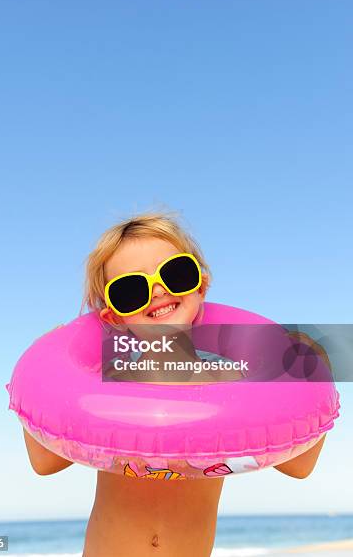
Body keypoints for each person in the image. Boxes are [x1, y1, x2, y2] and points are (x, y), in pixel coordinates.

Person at [23, 211, 327, 557]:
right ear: (113, 316)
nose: (157, 290)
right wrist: (41, 369)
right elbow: (45, 464)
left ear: (201, 283)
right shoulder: (109, 386)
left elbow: (299, 465)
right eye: (130, 289)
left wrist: (311, 374)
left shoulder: (230, 388)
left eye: (174, 273)